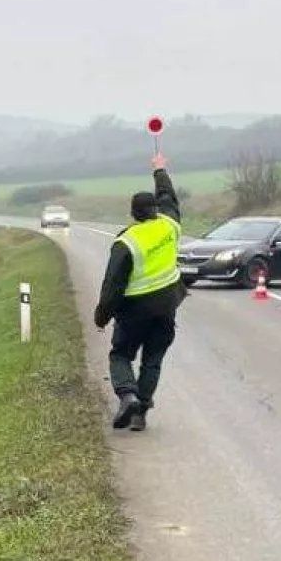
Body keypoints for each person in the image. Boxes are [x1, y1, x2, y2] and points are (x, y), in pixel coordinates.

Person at [93, 153, 185, 431]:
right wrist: (160, 168)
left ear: (134, 213)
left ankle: (128, 395)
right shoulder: (170, 224)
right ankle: (140, 412)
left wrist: (102, 316)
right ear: (155, 209)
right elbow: (168, 195)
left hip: (134, 312)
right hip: (167, 306)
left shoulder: (126, 243)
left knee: (120, 355)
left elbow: (112, 286)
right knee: (153, 360)